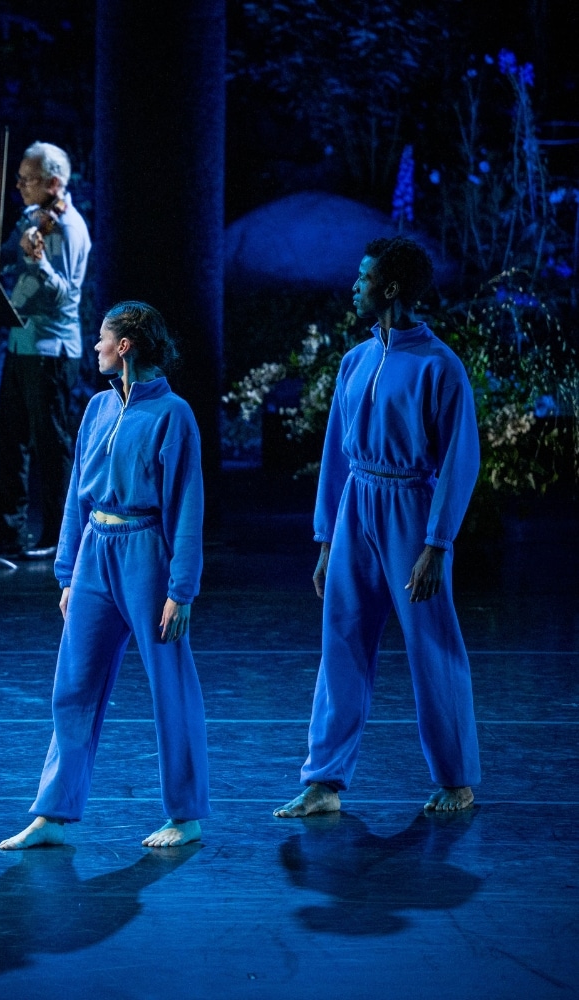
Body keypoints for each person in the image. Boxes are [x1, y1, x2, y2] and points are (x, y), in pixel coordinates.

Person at [275, 237, 481, 820]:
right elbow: (335, 458)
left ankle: (457, 779)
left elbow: (460, 463)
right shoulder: (355, 359)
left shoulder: (439, 366)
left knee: (431, 645)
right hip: (356, 508)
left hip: (411, 513)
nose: (354, 284)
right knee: (339, 642)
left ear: (391, 288)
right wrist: (324, 539)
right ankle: (323, 781)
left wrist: (436, 545)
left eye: (364, 277)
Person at [0, 301, 208, 851]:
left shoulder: (173, 414)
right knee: (73, 686)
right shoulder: (95, 407)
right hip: (96, 551)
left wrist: (180, 589)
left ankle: (185, 816)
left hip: (146, 555)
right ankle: (54, 814)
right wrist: (67, 572)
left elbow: (187, 506)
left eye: (102, 339)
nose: (95, 347)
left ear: (127, 345)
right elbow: (76, 495)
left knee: (169, 685)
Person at [0, 141, 93, 559]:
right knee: (9, 441)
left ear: (54, 183)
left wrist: (40, 263)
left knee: (52, 444)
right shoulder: (32, 218)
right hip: (21, 341)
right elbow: (9, 256)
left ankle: (59, 537)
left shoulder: (69, 228)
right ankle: (6, 531)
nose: (19, 186)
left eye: (27, 180)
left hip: (52, 349)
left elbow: (66, 296)